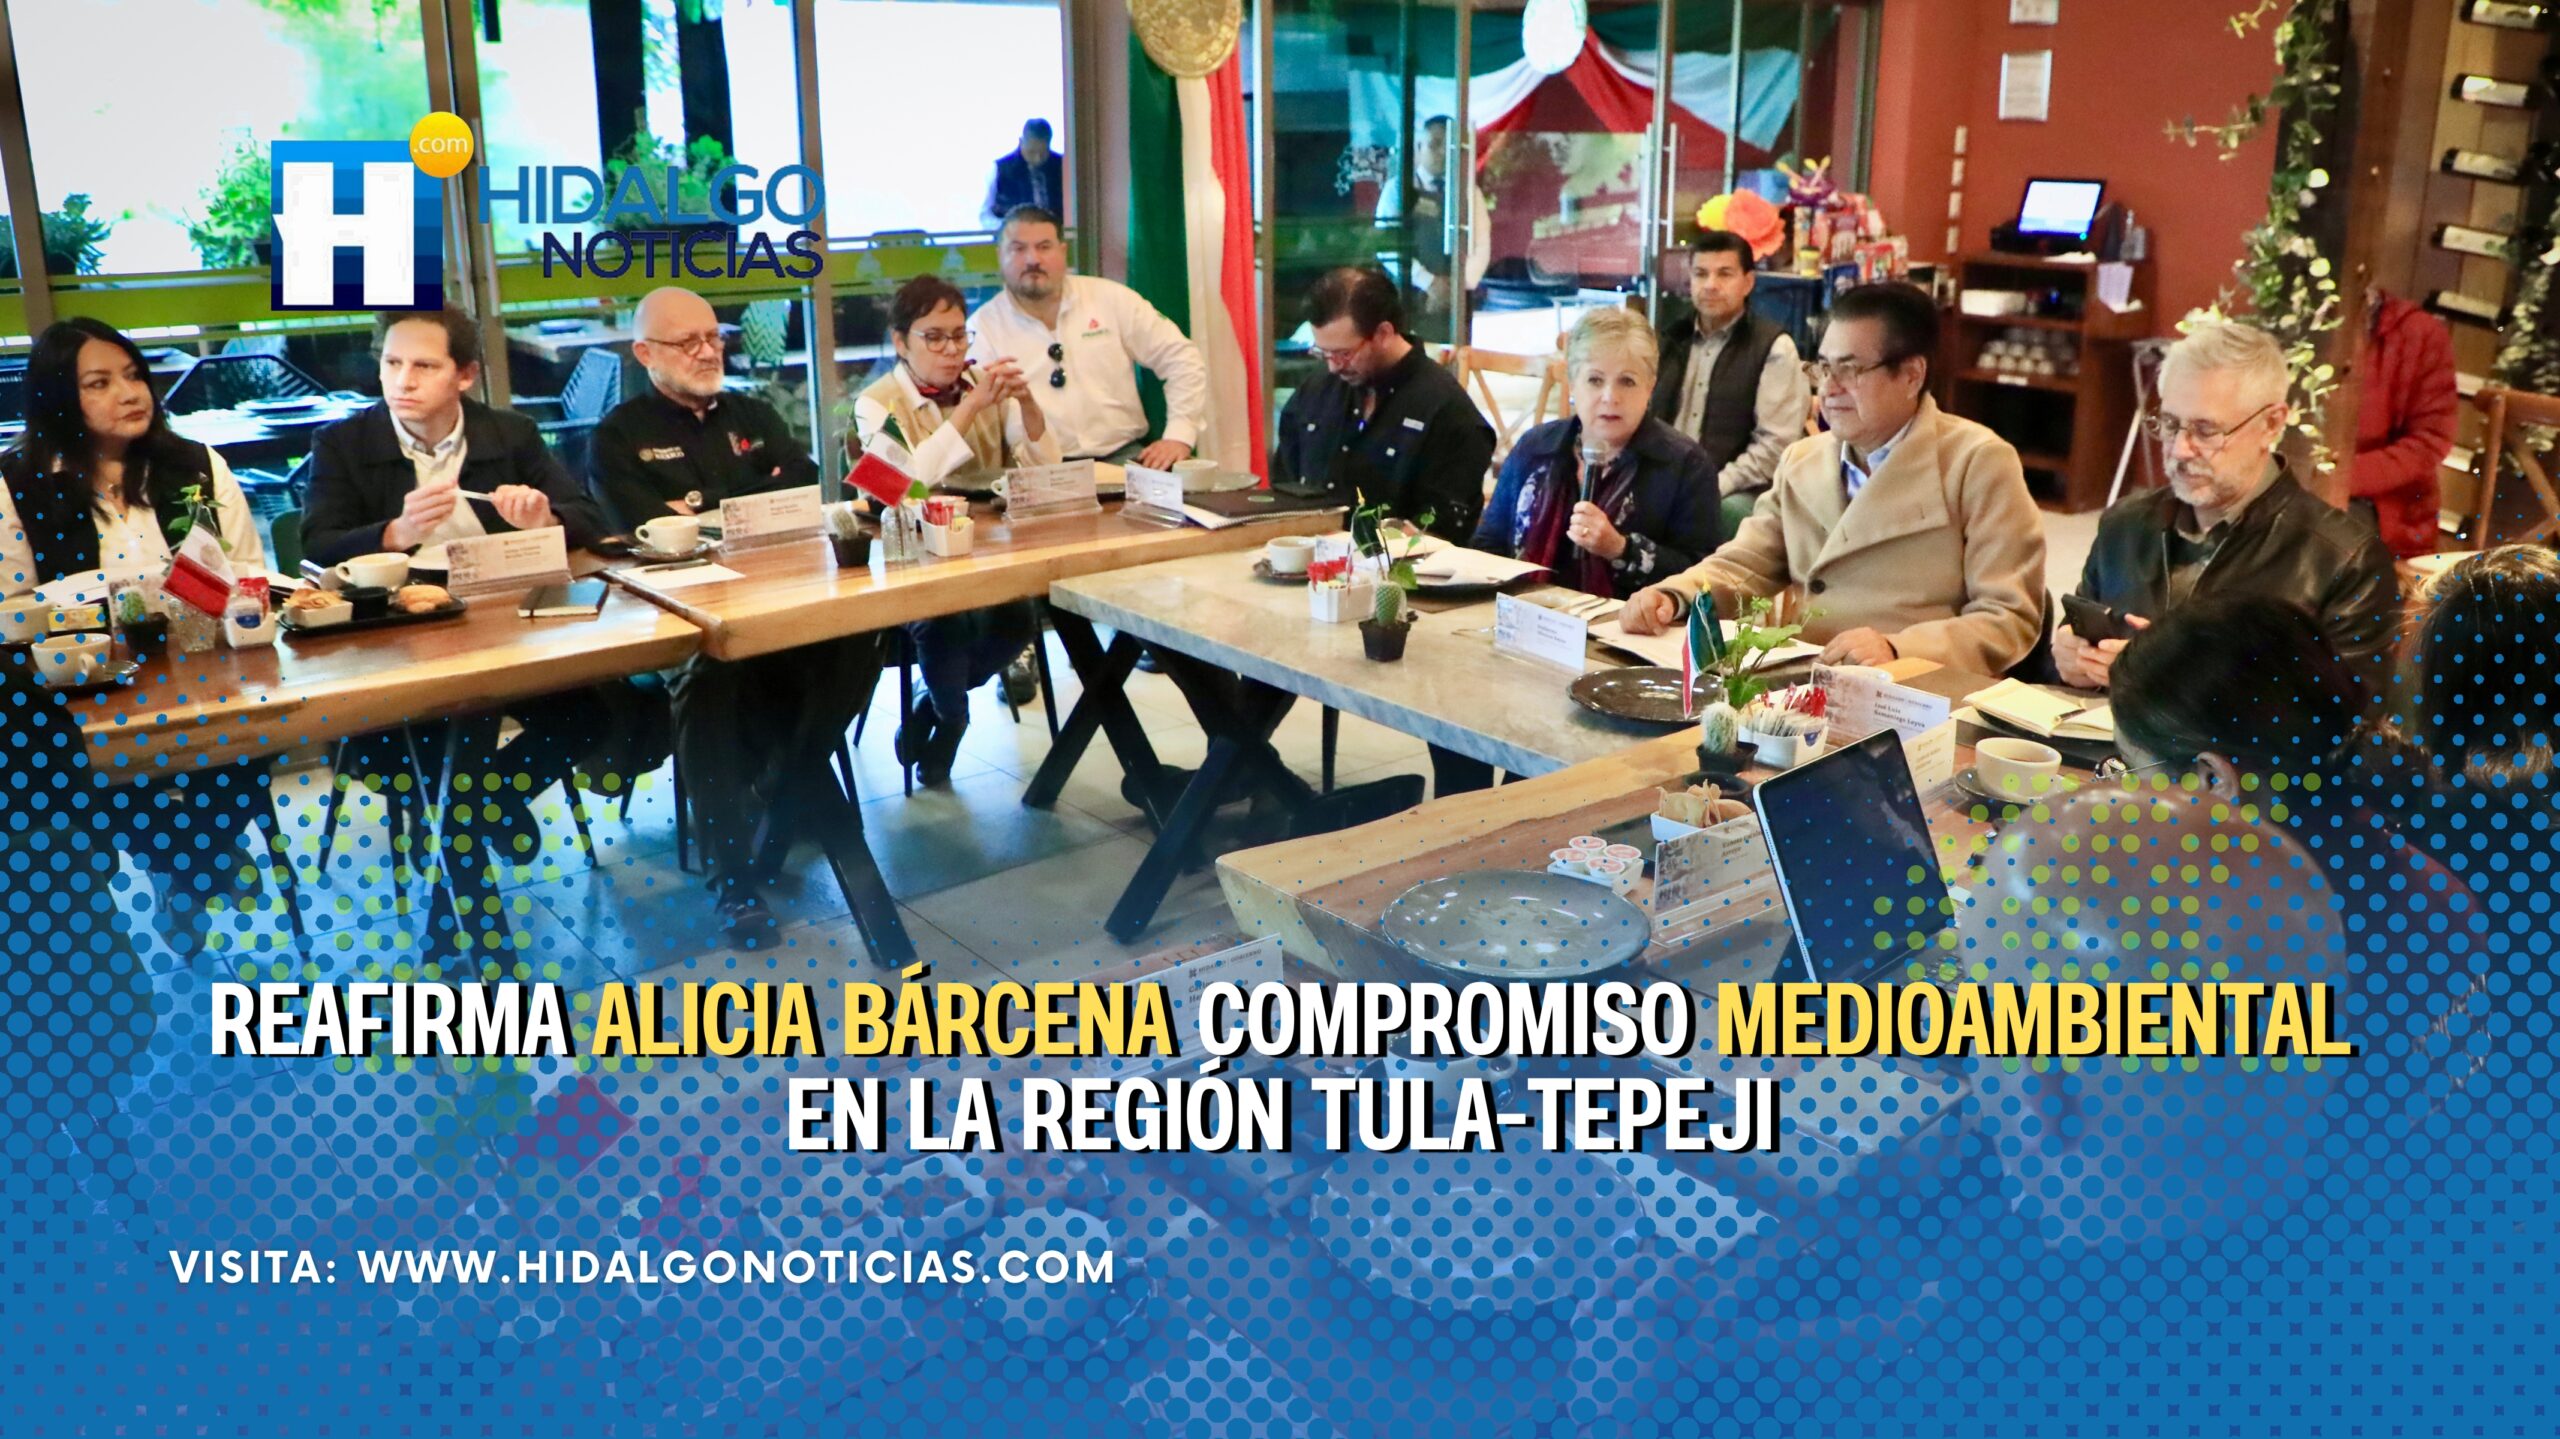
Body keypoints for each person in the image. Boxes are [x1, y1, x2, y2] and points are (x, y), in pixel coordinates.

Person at [591, 286, 882, 944]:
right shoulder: (618, 436)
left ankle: (784, 783)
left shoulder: (754, 411)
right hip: (676, 616)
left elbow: (801, 486)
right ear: (645, 353)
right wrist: (750, 496)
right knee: (709, 675)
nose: (707, 351)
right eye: (687, 341)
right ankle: (733, 880)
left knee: (860, 635)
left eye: (713, 336)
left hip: (777, 595)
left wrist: (701, 508)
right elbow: (639, 528)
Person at [302, 308, 613, 885]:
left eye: (424, 366)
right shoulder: (343, 442)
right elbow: (317, 546)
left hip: (503, 621)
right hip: (396, 632)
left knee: (592, 713)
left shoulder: (510, 434)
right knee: (416, 741)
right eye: (392, 363)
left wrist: (544, 518)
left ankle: (480, 807)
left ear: (465, 375)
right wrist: (395, 533)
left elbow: (589, 518)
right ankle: (469, 866)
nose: (402, 381)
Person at [1, 317, 275, 944]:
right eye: (99, 383)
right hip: (88, 689)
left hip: (208, 675)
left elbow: (247, 574)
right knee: (77, 768)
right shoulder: (16, 485)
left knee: (259, 734)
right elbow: (9, 608)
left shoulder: (197, 465)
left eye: (132, 375)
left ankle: (188, 866)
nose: (129, 394)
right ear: (56, 397)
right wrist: (95, 600)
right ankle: (199, 863)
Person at [1618, 282, 2045, 673]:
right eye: (1823, 368)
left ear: (1912, 375)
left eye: (1850, 370)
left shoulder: (1977, 462)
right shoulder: (1802, 459)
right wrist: (1675, 596)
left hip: (1912, 693)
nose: (1828, 388)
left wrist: (1898, 649)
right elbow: (1746, 564)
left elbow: (2008, 617)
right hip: (1805, 682)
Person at [2055, 320, 2400, 690]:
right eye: (2170, 424)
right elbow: (2077, 642)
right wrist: (2069, 658)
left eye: (2205, 430)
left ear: (2271, 424)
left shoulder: (2344, 560)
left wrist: (2173, 681)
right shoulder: (2125, 524)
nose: (2179, 450)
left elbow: (2349, 716)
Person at [853, 275, 1058, 784]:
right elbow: (902, 485)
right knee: (941, 621)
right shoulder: (874, 402)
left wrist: (1028, 404)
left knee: (1017, 616)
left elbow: (1047, 470)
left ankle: (933, 703)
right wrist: (968, 409)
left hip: (987, 551)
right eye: (934, 337)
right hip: (908, 557)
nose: (951, 350)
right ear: (901, 342)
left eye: (960, 335)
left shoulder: (984, 387)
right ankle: (952, 722)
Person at [1473, 306, 1724, 597]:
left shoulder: (1686, 465)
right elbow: (1488, 545)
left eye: (1627, 381)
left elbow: (1702, 580)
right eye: (1595, 380)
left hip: (1628, 622)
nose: (1610, 397)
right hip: (1525, 611)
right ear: (1572, 384)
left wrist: (1621, 549)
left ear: (1650, 388)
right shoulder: (1536, 448)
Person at [969, 205, 1209, 469]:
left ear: (1063, 251)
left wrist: (1179, 435)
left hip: (1124, 458)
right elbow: (975, 409)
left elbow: (1182, 358)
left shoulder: (1110, 298)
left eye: (1044, 247)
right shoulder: (983, 327)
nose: (1032, 259)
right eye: (1018, 249)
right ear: (999, 255)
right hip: (1038, 470)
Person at [1270, 266, 1492, 541]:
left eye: (1344, 354)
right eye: (1323, 353)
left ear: (1384, 333)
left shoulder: (1447, 413)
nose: (1333, 366)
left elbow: (1441, 533)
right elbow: (1284, 488)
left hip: (1399, 564)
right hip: (1309, 553)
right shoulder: (1317, 391)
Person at [1646, 231, 1806, 526]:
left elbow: (1774, 448)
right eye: (1700, 274)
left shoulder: (1774, 348)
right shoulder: (1670, 339)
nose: (1710, 285)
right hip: (1668, 478)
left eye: (1724, 274)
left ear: (1748, 282)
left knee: (1722, 512)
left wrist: (1713, 486)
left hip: (1737, 488)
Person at [2350, 289, 2458, 561]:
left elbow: (2430, 441)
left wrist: (2341, 479)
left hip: (2380, 510)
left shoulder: (2418, 332)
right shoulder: (2288, 315)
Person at [980, 118, 1064, 231]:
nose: (1038, 158)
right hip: (1014, 237)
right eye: (1031, 152)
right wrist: (1006, 228)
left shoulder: (1063, 166)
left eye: (1043, 153)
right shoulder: (999, 169)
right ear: (1021, 142)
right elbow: (985, 215)